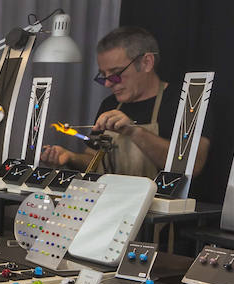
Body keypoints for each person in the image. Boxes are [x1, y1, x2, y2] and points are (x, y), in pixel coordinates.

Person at [41, 26, 209, 178]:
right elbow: (94, 159)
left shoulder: (187, 103)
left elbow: (192, 167)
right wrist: (70, 157)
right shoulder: (110, 104)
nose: (108, 83)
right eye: (103, 76)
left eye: (115, 73)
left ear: (146, 62)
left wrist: (135, 132)